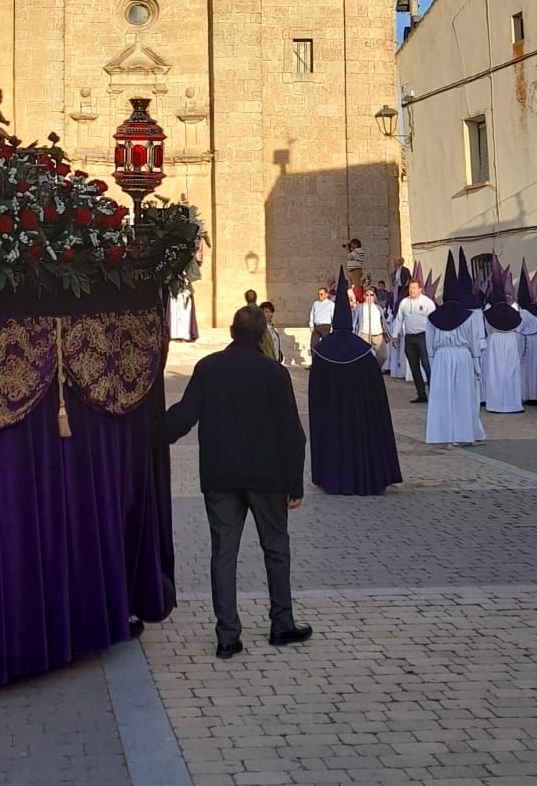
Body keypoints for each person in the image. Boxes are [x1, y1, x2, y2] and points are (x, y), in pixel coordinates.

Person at [157, 304, 310, 659]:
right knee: (275, 549)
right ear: (260, 336)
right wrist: (295, 483)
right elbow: (292, 433)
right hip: (267, 476)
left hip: (220, 475)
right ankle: (281, 623)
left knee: (223, 553)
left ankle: (228, 635)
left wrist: (152, 435)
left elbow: (185, 415)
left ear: (230, 331)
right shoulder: (274, 373)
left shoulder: (208, 368)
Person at [309, 271, 401, 496]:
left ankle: (333, 477)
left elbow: (315, 392)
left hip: (331, 412)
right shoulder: (363, 351)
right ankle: (364, 476)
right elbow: (376, 393)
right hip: (359, 411)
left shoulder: (322, 351)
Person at [425, 252, 485, 445]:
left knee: (443, 396)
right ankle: (464, 433)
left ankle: (442, 433)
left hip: (442, 357)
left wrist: (432, 362)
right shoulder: (468, 316)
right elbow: (474, 341)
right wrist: (477, 364)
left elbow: (429, 343)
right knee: (463, 396)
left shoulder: (433, 317)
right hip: (463, 356)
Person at [481, 267, 524, 413]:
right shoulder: (514, 311)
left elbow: (488, 328)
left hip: (494, 342)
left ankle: (495, 403)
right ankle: (512, 403)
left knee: (495, 372)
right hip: (511, 341)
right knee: (511, 372)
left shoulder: (488, 313)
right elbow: (519, 327)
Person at [392, 278, 435, 403]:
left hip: (423, 337)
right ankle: (421, 393)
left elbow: (434, 321)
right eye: (410, 288)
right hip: (409, 337)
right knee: (414, 366)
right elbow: (399, 320)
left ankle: (434, 393)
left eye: (414, 288)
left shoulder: (428, 303)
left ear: (420, 289)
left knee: (427, 365)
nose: (412, 290)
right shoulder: (404, 302)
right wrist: (395, 336)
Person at [517, 262, 537, 405]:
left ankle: (531, 395)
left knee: (530, 369)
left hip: (530, 342)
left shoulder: (525, 312)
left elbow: (519, 327)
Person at [352, 284, 385, 365]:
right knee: (364, 356)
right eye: (367, 295)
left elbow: (383, 321)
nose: (369, 297)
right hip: (364, 334)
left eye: (371, 295)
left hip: (378, 334)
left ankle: (375, 370)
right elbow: (355, 321)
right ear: (364, 296)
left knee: (383, 356)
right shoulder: (360, 308)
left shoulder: (378, 308)